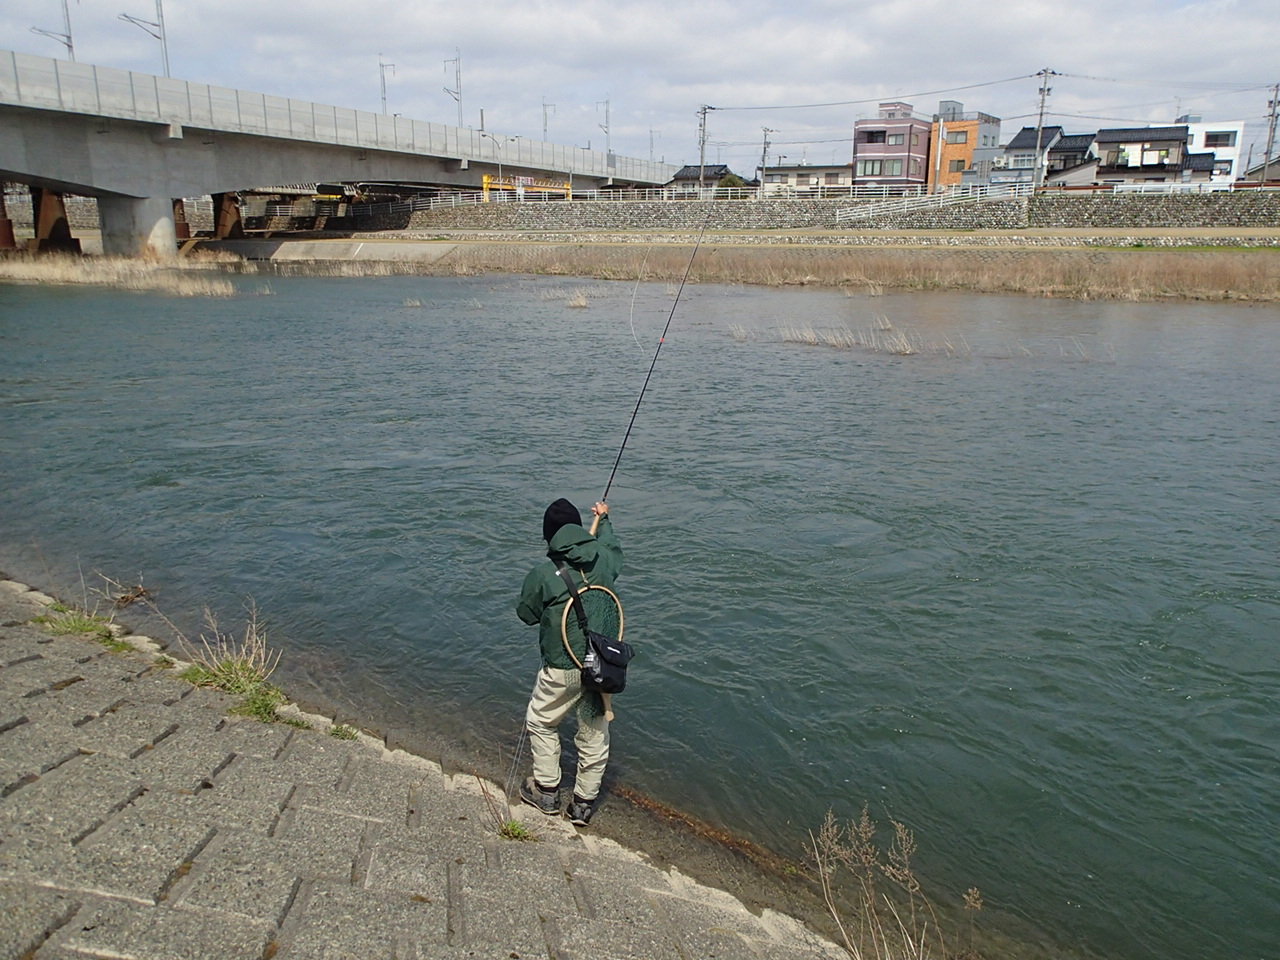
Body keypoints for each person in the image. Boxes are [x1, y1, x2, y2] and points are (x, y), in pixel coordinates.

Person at [516, 497, 623, 825]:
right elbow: (612, 551)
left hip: (562, 666)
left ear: (550, 538)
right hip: (599, 667)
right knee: (593, 734)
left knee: (541, 721)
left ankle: (547, 792)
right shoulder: (603, 562)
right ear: (578, 529)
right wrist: (604, 520)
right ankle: (581, 806)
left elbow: (526, 614)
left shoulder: (544, 574)